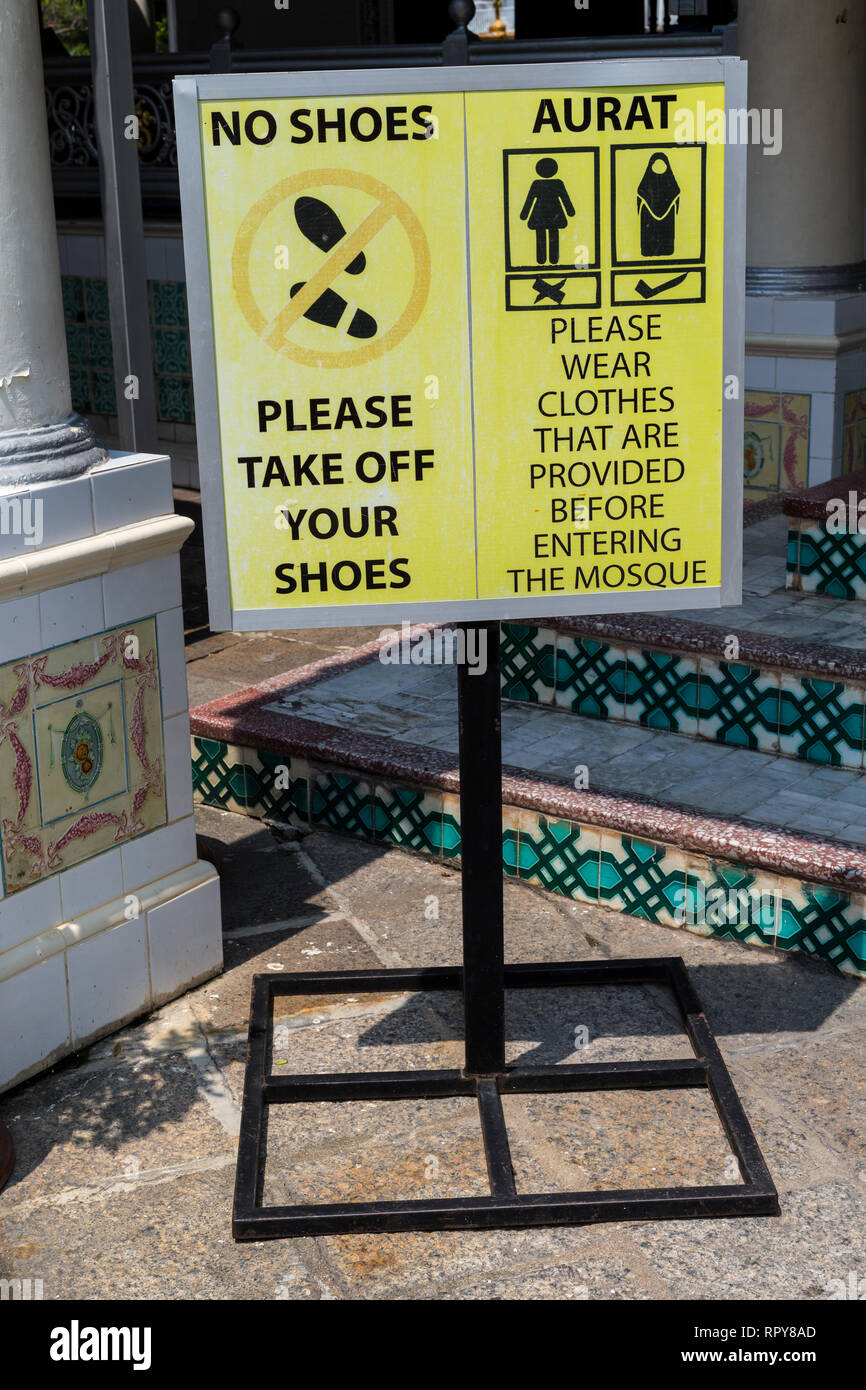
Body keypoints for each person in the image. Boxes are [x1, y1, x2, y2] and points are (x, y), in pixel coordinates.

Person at [520, 158, 575, 266]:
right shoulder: (557, 183)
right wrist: (570, 211)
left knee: (541, 235)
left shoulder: (537, 183)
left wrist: (524, 214)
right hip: (554, 213)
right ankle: (552, 259)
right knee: (553, 234)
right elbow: (565, 199)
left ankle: (542, 259)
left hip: (540, 214)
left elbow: (529, 200)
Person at [636, 153, 681, 257]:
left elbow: (676, 191)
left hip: (668, 219)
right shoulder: (647, 183)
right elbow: (641, 192)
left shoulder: (670, 183)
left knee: (666, 240)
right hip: (648, 219)